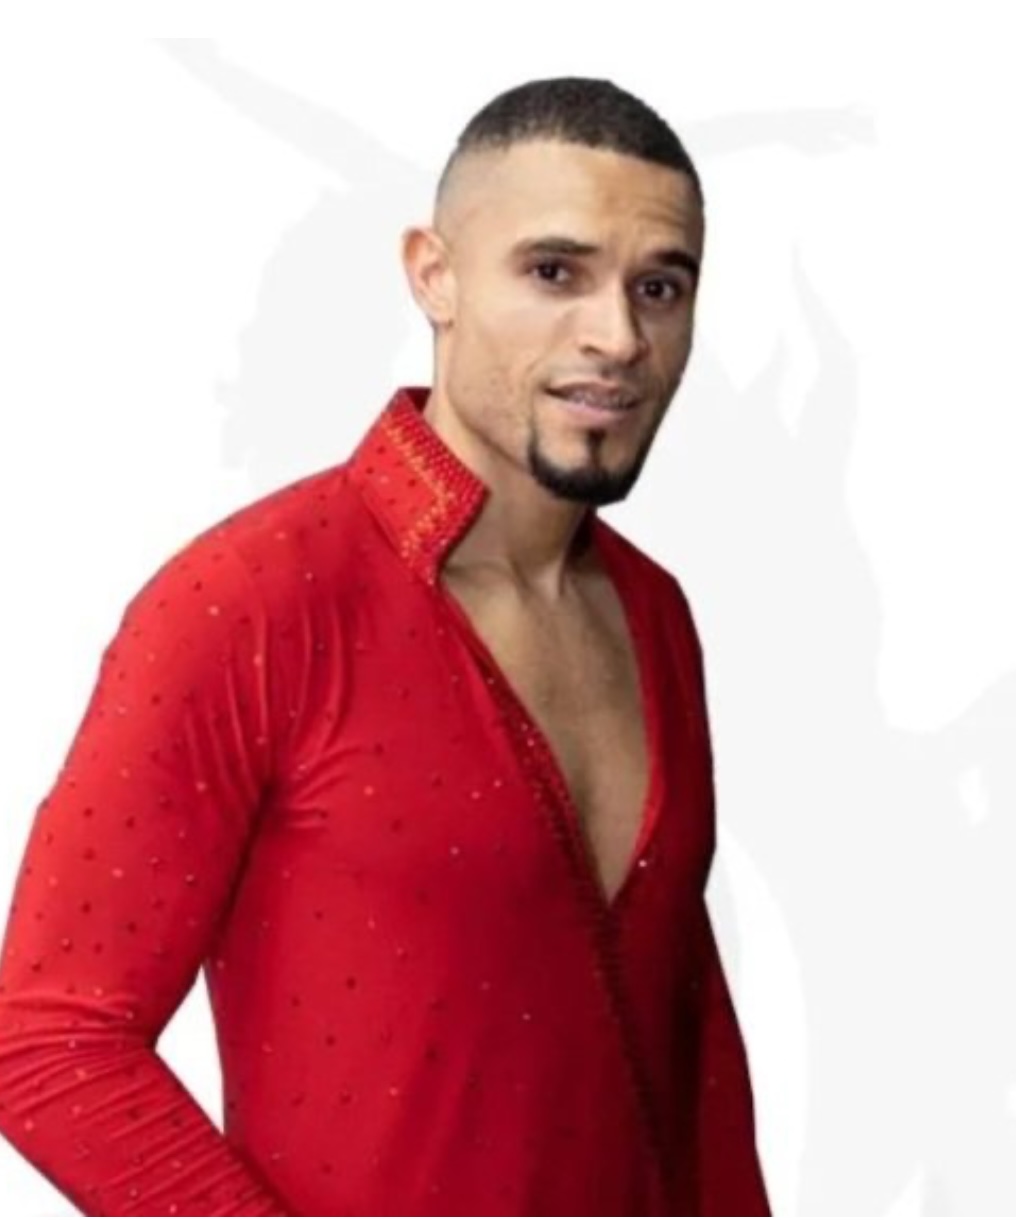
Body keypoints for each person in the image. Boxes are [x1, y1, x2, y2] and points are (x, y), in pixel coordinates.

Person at [0, 76, 771, 1216]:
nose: (617, 336)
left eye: (658, 286)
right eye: (553, 272)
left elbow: (683, 1033)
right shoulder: (248, 603)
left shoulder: (655, 613)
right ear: (433, 275)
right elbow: (49, 1036)